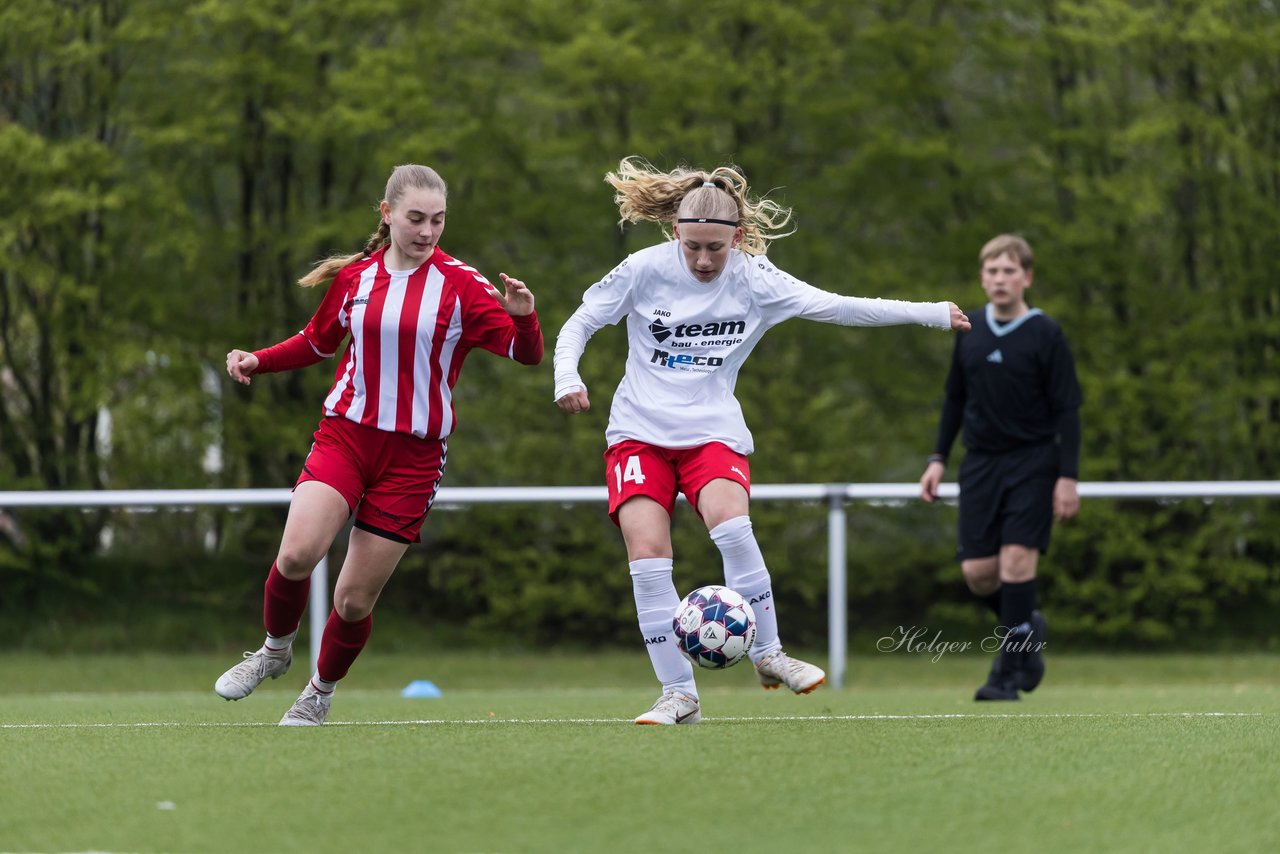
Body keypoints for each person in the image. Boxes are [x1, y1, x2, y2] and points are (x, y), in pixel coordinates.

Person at [554, 156, 971, 725]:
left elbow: (840, 307)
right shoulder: (642, 269)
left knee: (732, 524)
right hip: (638, 434)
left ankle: (769, 653)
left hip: (712, 432)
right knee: (648, 557)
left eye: (715, 249)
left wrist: (929, 313)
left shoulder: (757, 279)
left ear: (739, 237)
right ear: (675, 232)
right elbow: (580, 321)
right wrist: (568, 377)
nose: (703, 260)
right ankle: (679, 694)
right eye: (692, 246)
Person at [214, 164, 543, 725]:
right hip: (346, 436)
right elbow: (317, 344)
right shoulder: (357, 278)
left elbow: (525, 355)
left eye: (438, 220)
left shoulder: (464, 286)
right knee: (296, 554)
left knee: (352, 600)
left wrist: (526, 317)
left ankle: (318, 692)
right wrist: (257, 360)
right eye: (416, 218)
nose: (427, 231)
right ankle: (273, 651)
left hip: (413, 459)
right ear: (387, 214)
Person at [918, 233, 1082, 702]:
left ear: (1026, 277)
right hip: (981, 465)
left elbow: (1068, 410)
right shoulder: (970, 329)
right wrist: (937, 460)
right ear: (982, 277)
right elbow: (954, 399)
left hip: (1034, 463)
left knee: (1016, 562)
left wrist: (1067, 477)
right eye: (991, 271)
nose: (1000, 279)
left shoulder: (1046, 334)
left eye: (1009, 270)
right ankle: (1028, 625)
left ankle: (1006, 676)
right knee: (979, 573)